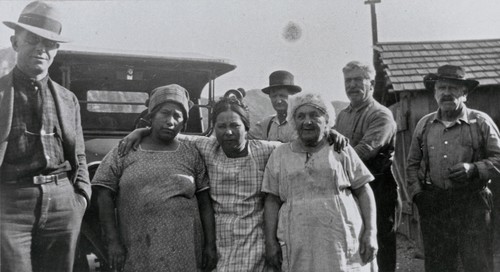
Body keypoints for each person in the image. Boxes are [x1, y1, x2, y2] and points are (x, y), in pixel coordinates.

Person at [0, 2, 90, 271]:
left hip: (63, 204)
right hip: (10, 206)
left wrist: (81, 197)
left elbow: (80, 155)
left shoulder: (67, 99)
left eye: (49, 43)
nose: (41, 48)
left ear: (56, 51)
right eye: (33, 40)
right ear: (15, 43)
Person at [92, 84, 217, 271]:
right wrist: (112, 241)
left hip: (184, 249)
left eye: (177, 116)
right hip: (137, 245)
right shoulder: (126, 149)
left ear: (184, 122)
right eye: (165, 113)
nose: (170, 121)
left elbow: (205, 202)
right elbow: (104, 193)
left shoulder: (191, 153)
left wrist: (209, 245)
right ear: (151, 116)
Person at [263, 93, 378, 271]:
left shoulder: (341, 149)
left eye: (314, 115)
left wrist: (371, 232)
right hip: (298, 241)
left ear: (327, 120)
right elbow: (272, 200)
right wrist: (270, 242)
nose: (307, 121)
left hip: (341, 239)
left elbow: (363, 189)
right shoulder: (280, 154)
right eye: (301, 116)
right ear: (294, 121)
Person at [407, 64, 500, 272]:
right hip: (435, 205)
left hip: (472, 204)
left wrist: (474, 168)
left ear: (465, 94)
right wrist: (418, 196)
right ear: (435, 93)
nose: (446, 93)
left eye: (453, 88)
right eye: (441, 88)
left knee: (478, 264)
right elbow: (412, 165)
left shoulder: (480, 122)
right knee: (439, 266)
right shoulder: (425, 124)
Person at [334, 61, 401, 272]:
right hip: (353, 188)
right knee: (355, 243)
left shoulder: (380, 115)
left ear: (371, 83)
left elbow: (363, 153)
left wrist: (330, 163)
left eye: (357, 80)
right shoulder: (343, 115)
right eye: (348, 80)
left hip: (379, 188)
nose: (352, 85)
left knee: (379, 246)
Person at [248, 70, 301, 142]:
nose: (278, 101)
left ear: (292, 95)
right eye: (274, 96)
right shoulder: (266, 124)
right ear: (269, 97)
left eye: (282, 96)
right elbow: (246, 139)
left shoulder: (300, 122)